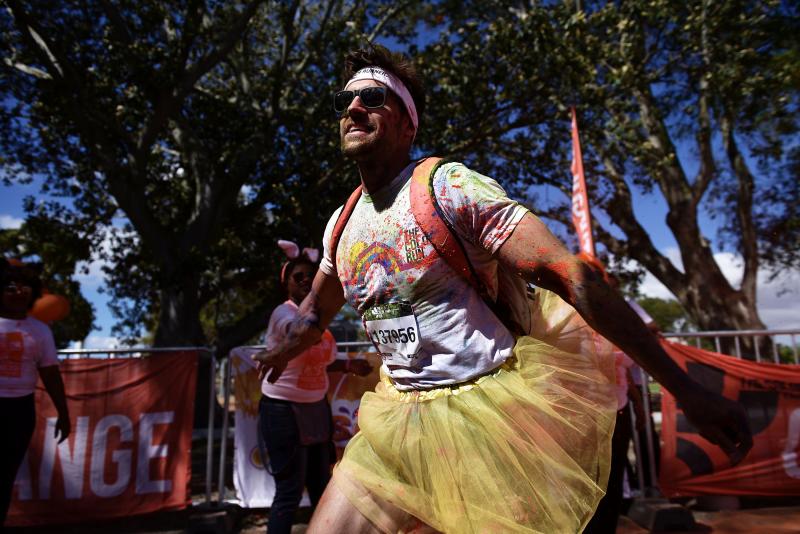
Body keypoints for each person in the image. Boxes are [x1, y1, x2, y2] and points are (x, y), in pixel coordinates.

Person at [254, 45, 752, 533]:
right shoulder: (340, 225)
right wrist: (281, 346)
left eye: (373, 98)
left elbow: (572, 276)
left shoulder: (447, 188)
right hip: (396, 420)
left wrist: (685, 389)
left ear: (408, 123)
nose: (354, 108)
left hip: (485, 424)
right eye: (344, 102)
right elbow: (314, 313)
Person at [259, 243, 371, 534]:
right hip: (283, 412)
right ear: (286, 282)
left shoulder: (321, 322)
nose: (307, 280)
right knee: (290, 493)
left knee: (323, 488)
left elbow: (323, 359)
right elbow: (296, 332)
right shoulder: (283, 315)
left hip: (316, 408)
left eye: (312, 275)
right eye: (299, 276)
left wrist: (348, 366)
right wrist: (282, 352)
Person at [0, 259, 70, 527]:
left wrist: (64, 414)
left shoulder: (40, 330)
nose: (18, 291)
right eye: (9, 286)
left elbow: (51, 374)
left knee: (5, 477)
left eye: (25, 286)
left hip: (19, 412)